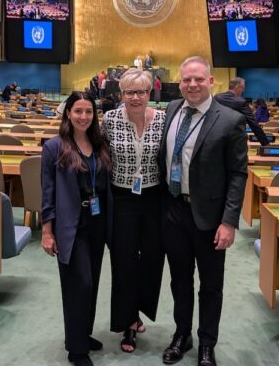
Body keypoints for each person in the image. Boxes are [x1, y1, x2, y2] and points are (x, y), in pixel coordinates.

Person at [160, 57, 248, 366]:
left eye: (199, 79)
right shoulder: (171, 110)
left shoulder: (229, 120)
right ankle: (182, 335)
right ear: (179, 83)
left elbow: (238, 174)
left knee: (211, 285)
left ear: (211, 81)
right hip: (173, 211)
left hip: (210, 218)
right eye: (187, 80)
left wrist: (229, 221)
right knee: (179, 281)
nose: (192, 84)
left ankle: (207, 344)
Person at [41, 91, 113, 366]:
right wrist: (47, 232)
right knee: (78, 285)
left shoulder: (99, 144)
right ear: (68, 113)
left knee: (91, 283)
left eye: (88, 112)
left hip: (97, 223)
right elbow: (47, 193)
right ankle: (77, 350)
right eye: (78, 111)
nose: (83, 116)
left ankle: (81, 334)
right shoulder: (54, 147)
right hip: (71, 225)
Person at [101, 68, 165, 353]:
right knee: (124, 262)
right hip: (122, 198)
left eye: (141, 92)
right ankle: (128, 322)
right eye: (129, 92)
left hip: (154, 198)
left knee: (151, 260)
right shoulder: (110, 119)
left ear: (149, 94)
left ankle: (141, 310)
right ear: (121, 94)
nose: (135, 97)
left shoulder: (163, 119)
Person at [214, 77, 269, 146]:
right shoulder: (241, 102)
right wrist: (265, 143)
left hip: (216, 138)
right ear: (237, 87)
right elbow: (253, 123)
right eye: (242, 88)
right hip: (235, 141)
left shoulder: (216, 97)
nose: (243, 90)